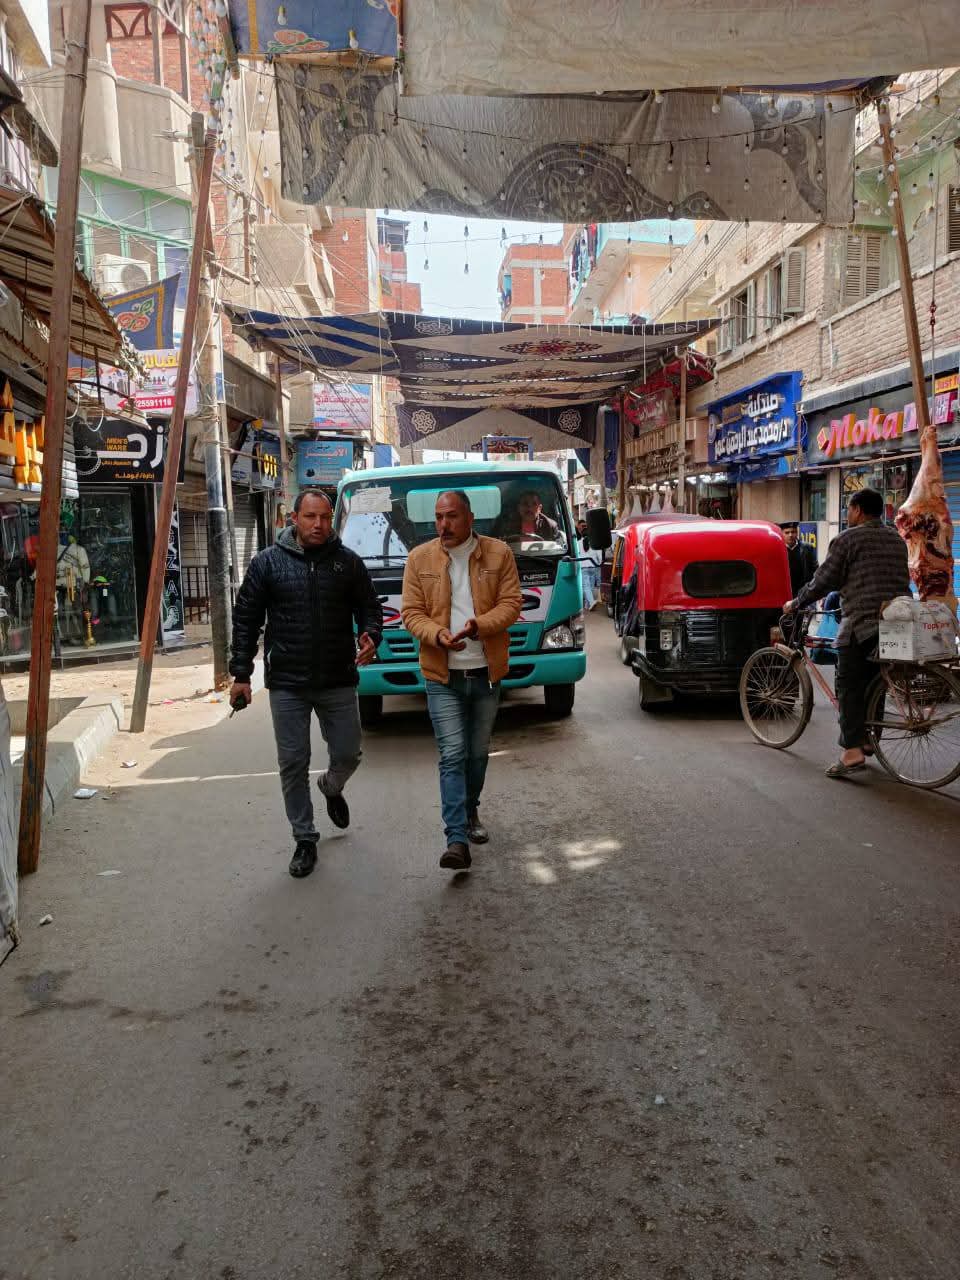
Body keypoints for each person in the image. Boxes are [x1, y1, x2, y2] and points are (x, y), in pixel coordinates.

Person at [229, 490, 383, 878]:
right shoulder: (267, 563)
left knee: (348, 753)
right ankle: (304, 838)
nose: (318, 524)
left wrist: (371, 634)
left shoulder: (347, 563)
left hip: (337, 678)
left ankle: (331, 786)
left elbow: (369, 606)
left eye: (325, 517)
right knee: (293, 762)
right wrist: (241, 674)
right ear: (294, 518)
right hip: (287, 682)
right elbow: (246, 619)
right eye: (311, 517)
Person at [401, 490, 522, 871]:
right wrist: (437, 634)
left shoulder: (499, 554)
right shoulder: (419, 559)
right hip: (442, 676)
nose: (444, 524)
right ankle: (456, 839)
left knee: (477, 753)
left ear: (470, 517)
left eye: (452, 516)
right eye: (439, 517)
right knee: (452, 754)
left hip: (486, 673)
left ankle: (470, 811)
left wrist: (478, 626)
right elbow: (411, 613)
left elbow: (511, 603)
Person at [784, 488, 910, 779]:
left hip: (863, 622)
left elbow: (823, 581)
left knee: (849, 684)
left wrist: (796, 602)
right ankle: (868, 739)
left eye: (848, 508)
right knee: (877, 683)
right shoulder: (896, 538)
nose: (846, 514)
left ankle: (852, 750)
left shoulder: (847, 539)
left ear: (858, 510)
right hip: (898, 622)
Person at [780, 520, 818, 596]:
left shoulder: (807, 548)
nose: (790, 535)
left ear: (797, 532)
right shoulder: (778, 549)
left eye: (793, 532)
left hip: (803, 592)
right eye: (787, 533)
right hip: (784, 591)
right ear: (782, 534)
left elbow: (815, 569)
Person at [577, 519, 602, 610]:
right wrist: (599, 563)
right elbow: (599, 555)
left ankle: (591, 602)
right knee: (590, 586)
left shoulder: (578, 543)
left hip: (583, 567)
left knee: (586, 586)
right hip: (593, 566)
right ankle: (587, 605)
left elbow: (577, 555)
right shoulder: (595, 542)